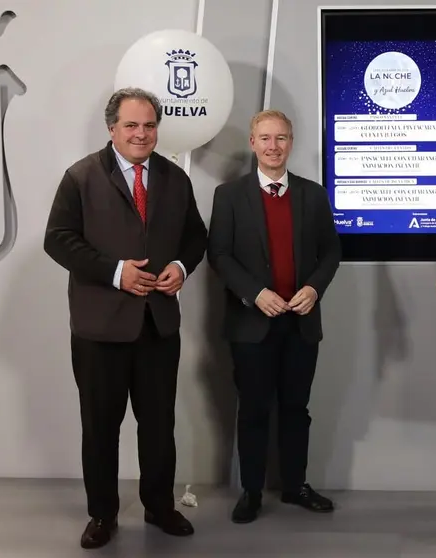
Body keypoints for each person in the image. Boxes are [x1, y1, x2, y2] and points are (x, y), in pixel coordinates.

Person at [44, 87, 208, 549]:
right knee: (101, 428)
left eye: (150, 124)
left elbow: (195, 238)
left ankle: (159, 506)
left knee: (158, 425)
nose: (142, 133)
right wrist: (116, 273)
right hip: (100, 328)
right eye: (132, 125)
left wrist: (180, 267)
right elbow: (58, 240)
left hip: (158, 325)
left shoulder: (175, 179)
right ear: (112, 128)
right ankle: (102, 515)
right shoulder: (80, 177)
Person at [207, 109, 342, 524]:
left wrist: (314, 289)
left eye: (280, 138)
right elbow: (220, 255)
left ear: (291, 142)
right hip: (252, 323)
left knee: (296, 409)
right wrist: (254, 293)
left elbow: (331, 252)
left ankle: (295, 486)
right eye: (264, 138)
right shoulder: (229, 195)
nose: (272, 146)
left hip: (300, 322)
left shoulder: (312, 194)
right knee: (252, 410)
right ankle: (250, 491)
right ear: (252, 143)